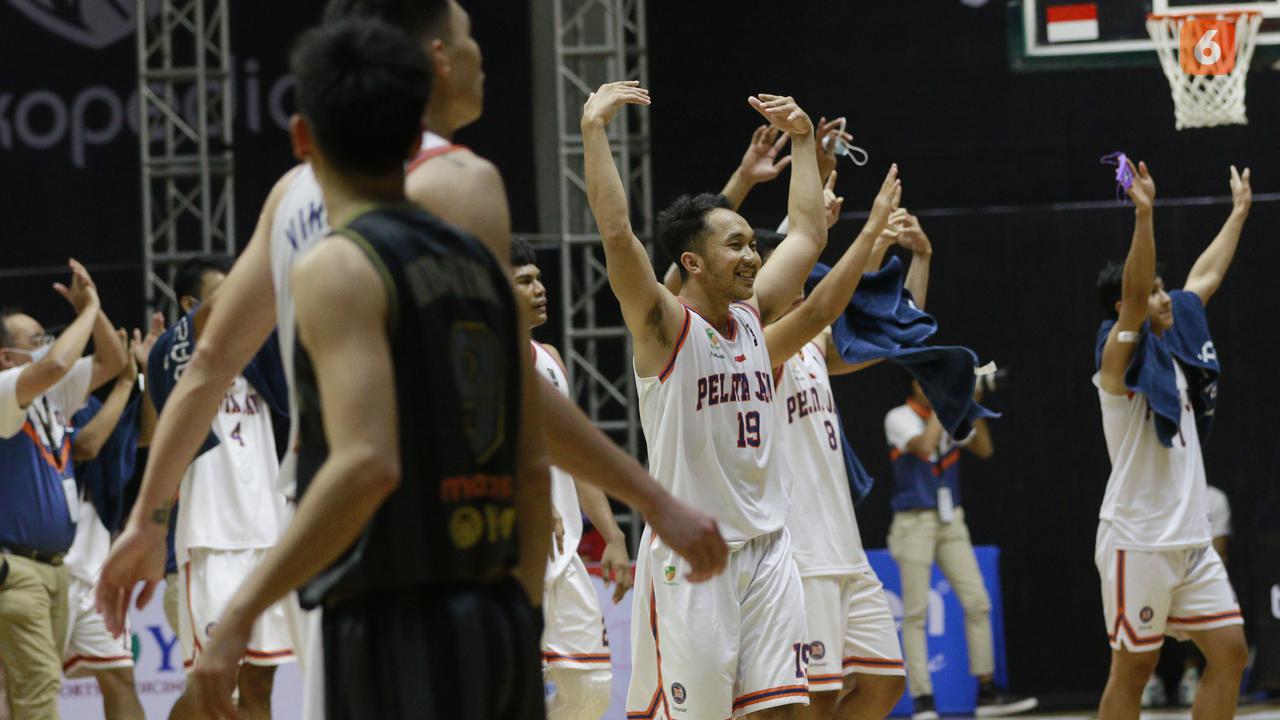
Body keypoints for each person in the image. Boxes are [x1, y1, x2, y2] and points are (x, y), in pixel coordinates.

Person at [184, 18, 539, 718]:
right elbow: (530, 455)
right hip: (490, 593)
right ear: (417, 141)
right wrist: (525, 611)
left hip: (382, 586)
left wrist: (244, 609)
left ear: (301, 139)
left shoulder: (337, 262)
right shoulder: (483, 259)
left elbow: (367, 462)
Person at [583, 80, 828, 718]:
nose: (754, 255)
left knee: (779, 713)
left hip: (769, 548)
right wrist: (593, 131)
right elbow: (617, 237)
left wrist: (803, 141)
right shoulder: (664, 328)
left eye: (753, 243)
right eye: (738, 245)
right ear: (692, 262)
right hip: (694, 560)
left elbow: (806, 233)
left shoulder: (751, 318)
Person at [1093, 162, 1250, 720]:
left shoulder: (1175, 336)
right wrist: (1144, 214)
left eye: (1163, 289)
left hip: (1189, 539)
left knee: (1229, 652)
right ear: (1124, 310)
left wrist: (1237, 214)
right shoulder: (1116, 358)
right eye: (1156, 290)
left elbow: (1203, 279)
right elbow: (1137, 295)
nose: (1165, 297)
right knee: (1132, 671)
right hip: (1138, 539)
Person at [147, 257, 295, 720]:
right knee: (214, 687)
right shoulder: (172, 355)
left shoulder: (262, 350)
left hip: (270, 538)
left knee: (260, 683)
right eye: (226, 290)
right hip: (212, 538)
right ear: (191, 305)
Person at [0, 259, 127, 720]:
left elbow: (114, 362)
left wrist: (93, 309)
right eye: (35, 341)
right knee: (38, 694)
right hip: (15, 569)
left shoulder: (52, 398)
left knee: (27, 695)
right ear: (5, 357)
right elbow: (56, 362)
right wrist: (88, 311)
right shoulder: (3, 390)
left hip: (54, 568)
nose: (49, 347)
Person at [509, 238, 630, 719]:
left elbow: (578, 458)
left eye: (539, 278)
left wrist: (614, 533)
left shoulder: (551, 357)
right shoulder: (477, 360)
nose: (540, 289)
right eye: (524, 282)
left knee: (592, 690)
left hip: (565, 555)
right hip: (509, 552)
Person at [62, 328, 152, 720]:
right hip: (41, 566)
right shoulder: (24, 402)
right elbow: (87, 446)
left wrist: (148, 378)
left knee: (119, 677)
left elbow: (144, 435)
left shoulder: (95, 407)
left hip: (93, 566)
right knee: (22, 684)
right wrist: (126, 383)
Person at [1140, 483, 1233, 708]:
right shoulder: (1150, 494)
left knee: (1232, 650)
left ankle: (1191, 674)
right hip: (1153, 567)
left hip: (1196, 570)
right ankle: (1148, 679)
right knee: (1130, 662)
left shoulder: (1214, 498)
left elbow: (1221, 550)